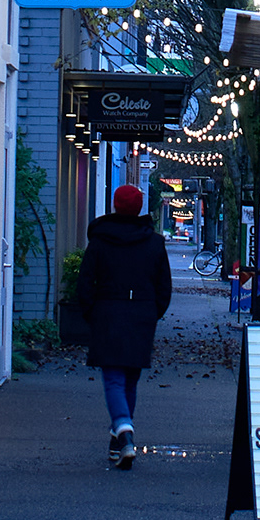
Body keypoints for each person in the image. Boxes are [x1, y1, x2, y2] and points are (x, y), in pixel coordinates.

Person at [62, 182, 171, 471]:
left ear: (115, 205)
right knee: (130, 379)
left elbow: (85, 283)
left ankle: (123, 432)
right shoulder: (155, 243)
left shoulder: (100, 241)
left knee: (113, 378)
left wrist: (91, 313)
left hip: (108, 312)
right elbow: (164, 288)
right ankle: (120, 440)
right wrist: (152, 313)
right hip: (141, 315)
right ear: (139, 208)